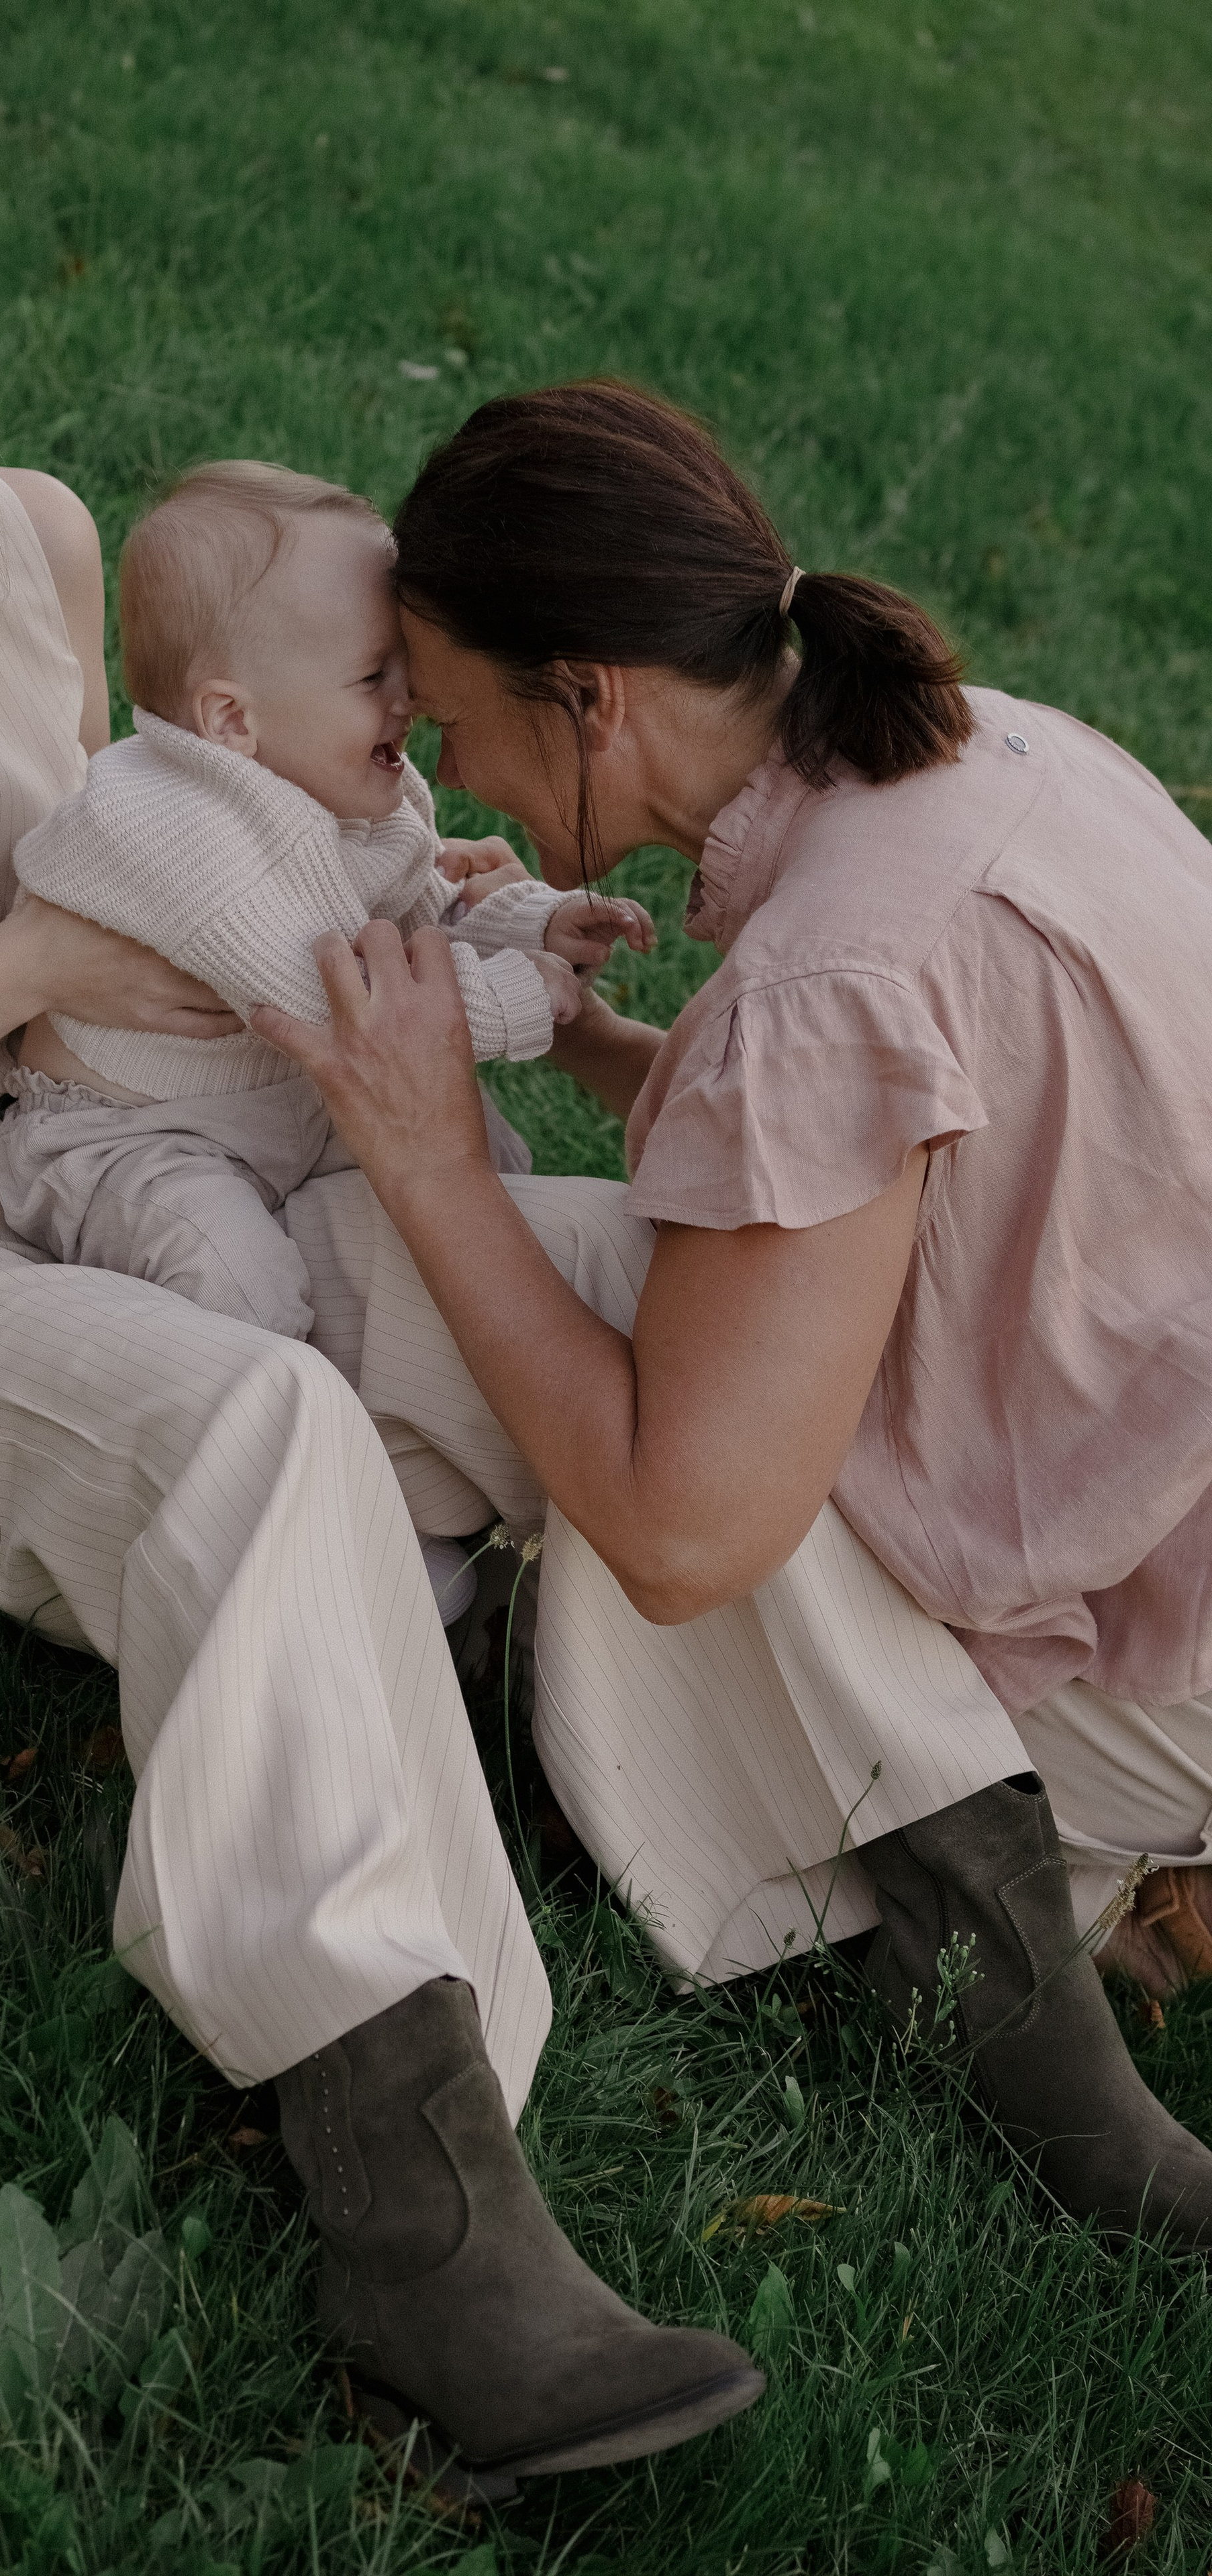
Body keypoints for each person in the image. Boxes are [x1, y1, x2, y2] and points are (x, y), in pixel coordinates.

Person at [0, 185, 764, 2493]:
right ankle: (430, 2210)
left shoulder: (38, 546)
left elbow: (180, 819)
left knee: (632, 1271)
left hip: (110, 1162)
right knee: (255, 1419)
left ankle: (966, 1904)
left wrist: (412, 893)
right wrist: (10, 981)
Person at [250, 377, 1212, 2254]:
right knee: (621, 1291)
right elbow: (879, 1164)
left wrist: (436, 1158)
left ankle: (991, 1922)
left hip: (1158, 1672)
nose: (462, 785)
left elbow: (693, 1531)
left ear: (590, 693)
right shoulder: (990, 752)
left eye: (457, 730)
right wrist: (608, 1045)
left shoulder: (832, 975)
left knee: (494, 1304)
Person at [0, 458, 650, 1344]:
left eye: (404, 670)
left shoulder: (344, 779)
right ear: (232, 722)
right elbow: (347, 1002)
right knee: (232, 1274)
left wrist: (530, 925)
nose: (407, 699)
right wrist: (525, 997)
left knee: (485, 1157)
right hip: (137, 1136)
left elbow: (414, 911)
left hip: (285, 1099)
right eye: (373, 676)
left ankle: (462, 1323)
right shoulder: (173, 826)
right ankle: (274, 1399)